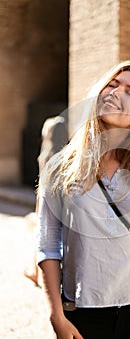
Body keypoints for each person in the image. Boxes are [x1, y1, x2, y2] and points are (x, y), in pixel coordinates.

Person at [37, 60, 130, 339]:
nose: (116, 92)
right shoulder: (60, 166)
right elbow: (47, 245)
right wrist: (56, 315)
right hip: (81, 311)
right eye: (112, 85)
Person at [24, 115, 68, 286]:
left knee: (44, 238)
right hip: (60, 202)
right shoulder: (66, 154)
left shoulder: (46, 155)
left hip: (47, 200)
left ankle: (38, 273)